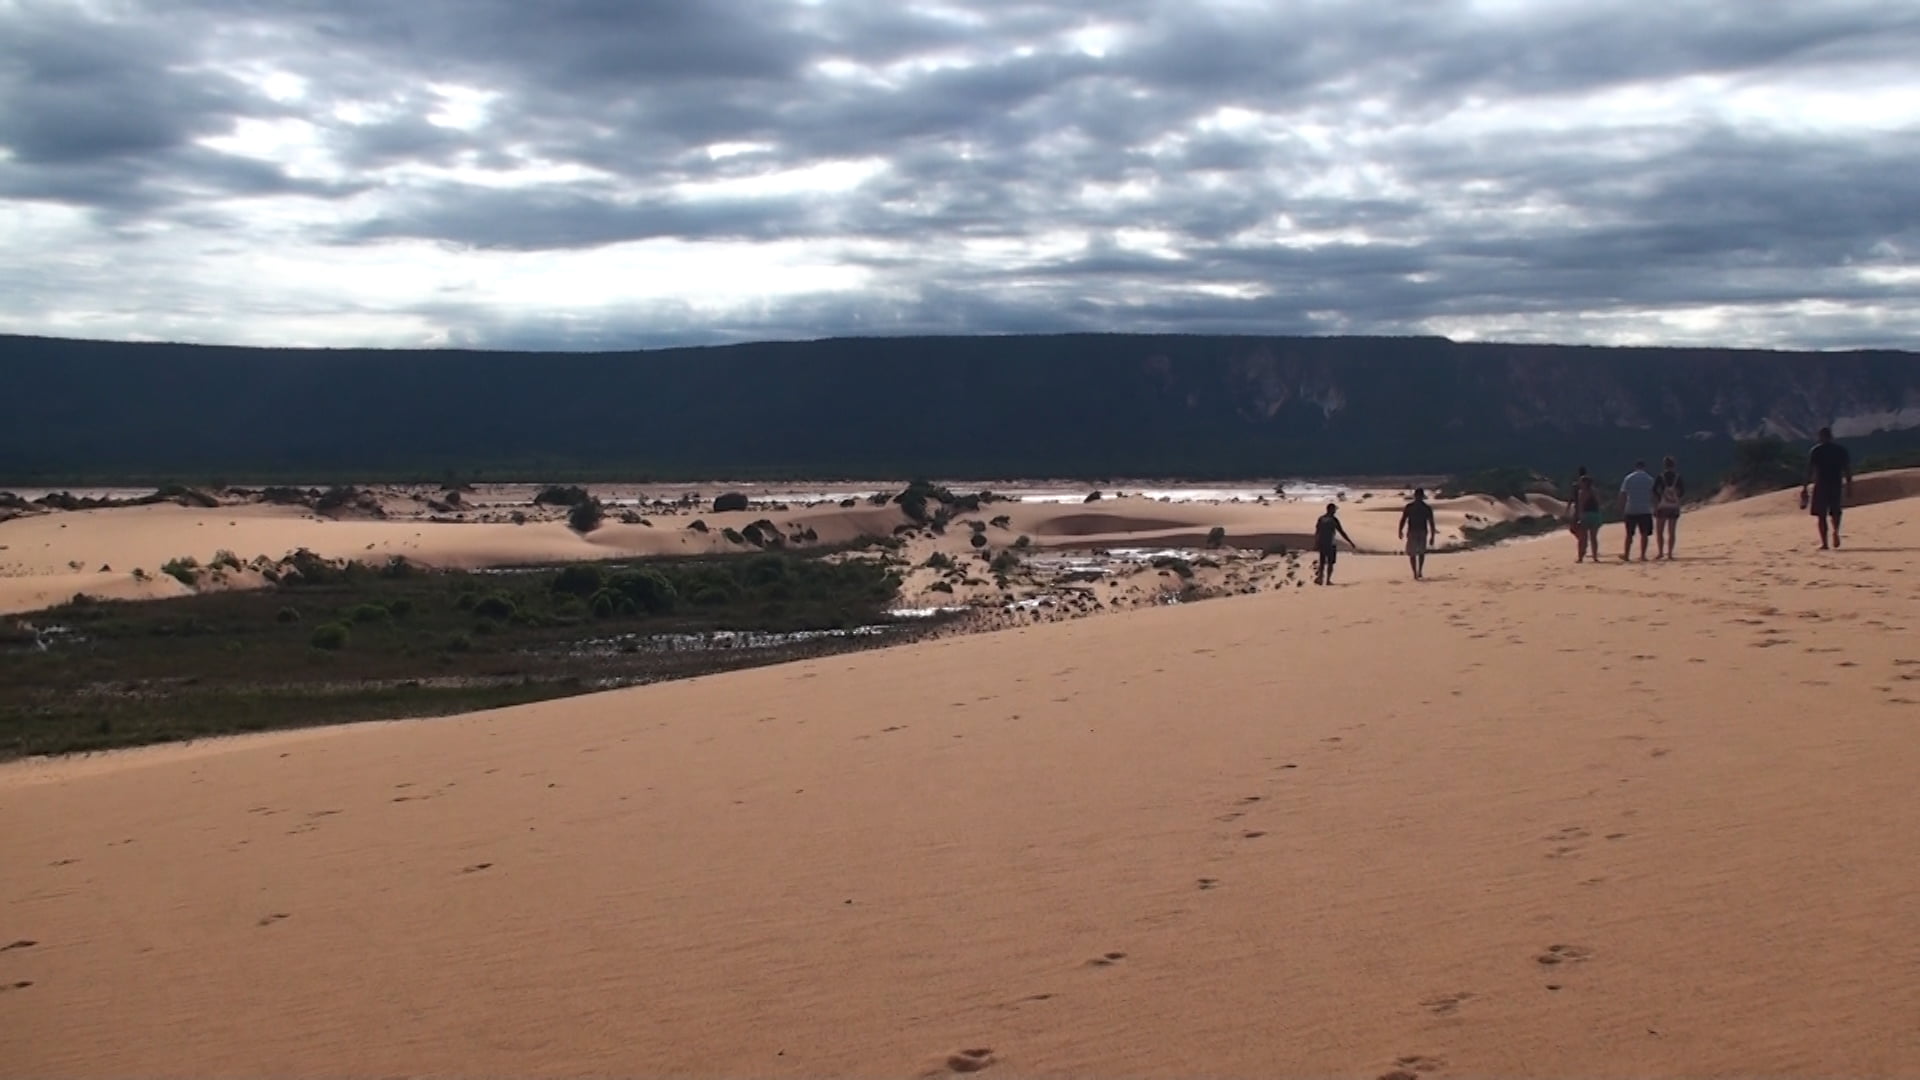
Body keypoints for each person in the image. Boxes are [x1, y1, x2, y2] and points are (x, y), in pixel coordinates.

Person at [1802, 427, 1853, 549]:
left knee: (1821, 515)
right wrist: (1849, 485)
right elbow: (1847, 469)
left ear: (1821, 437)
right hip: (1836, 484)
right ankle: (1836, 531)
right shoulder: (1841, 450)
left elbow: (1809, 470)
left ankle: (1825, 543)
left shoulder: (1816, 450)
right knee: (1835, 511)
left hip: (1821, 485)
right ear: (1831, 436)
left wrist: (1804, 487)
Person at [1398, 487, 1439, 580]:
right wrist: (1400, 530)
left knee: (1419, 553)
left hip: (1420, 532)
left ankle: (1418, 571)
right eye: (1418, 496)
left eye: (1419, 496)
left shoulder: (1425, 508)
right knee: (1414, 553)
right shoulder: (1412, 507)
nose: (1418, 497)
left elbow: (1431, 523)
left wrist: (1432, 536)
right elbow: (1403, 519)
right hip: (1415, 531)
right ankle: (1415, 572)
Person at [1619, 460, 1656, 562]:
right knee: (1644, 533)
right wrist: (1655, 507)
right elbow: (1653, 495)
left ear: (1636, 467)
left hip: (1631, 508)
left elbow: (1623, 494)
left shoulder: (1629, 478)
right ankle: (1643, 555)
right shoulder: (1649, 479)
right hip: (1645, 509)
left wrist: (1622, 508)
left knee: (1629, 534)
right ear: (1644, 467)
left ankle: (1627, 555)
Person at [1313, 502, 1357, 585]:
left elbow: (1317, 532)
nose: (1335, 511)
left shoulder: (1321, 518)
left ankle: (1320, 579)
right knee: (1330, 563)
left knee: (1322, 562)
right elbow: (1341, 532)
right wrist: (1350, 542)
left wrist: (1316, 543)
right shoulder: (1334, 520)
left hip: (1322, 543)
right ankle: (1328, 580)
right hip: (1330, 544)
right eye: (1334, 510)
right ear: (1331, 510)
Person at [1652, 456, 1685, 559]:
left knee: (1660, 531)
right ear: (1673, 465)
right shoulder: (1677, 477)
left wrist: (1659, 498)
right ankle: (1670, 553)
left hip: (1662, 506)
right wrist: (1676, 497)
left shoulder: (1660, 476)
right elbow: (1682, 491)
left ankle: (1660, 552)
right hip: (1673, 506)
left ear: (1664, 465)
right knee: (1672, 531)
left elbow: (1654, 490)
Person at [1570, 470, 1604, 563]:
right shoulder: (1595, 491)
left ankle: (1580, 557)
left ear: (1584, 483)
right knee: (1594, 537)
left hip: (1586, 515)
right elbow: (1599, 503)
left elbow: (1581, 505)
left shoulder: (1582, 492)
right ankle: (1595, 557)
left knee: (1582, 538)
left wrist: (1579, 517)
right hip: (1595, 515)